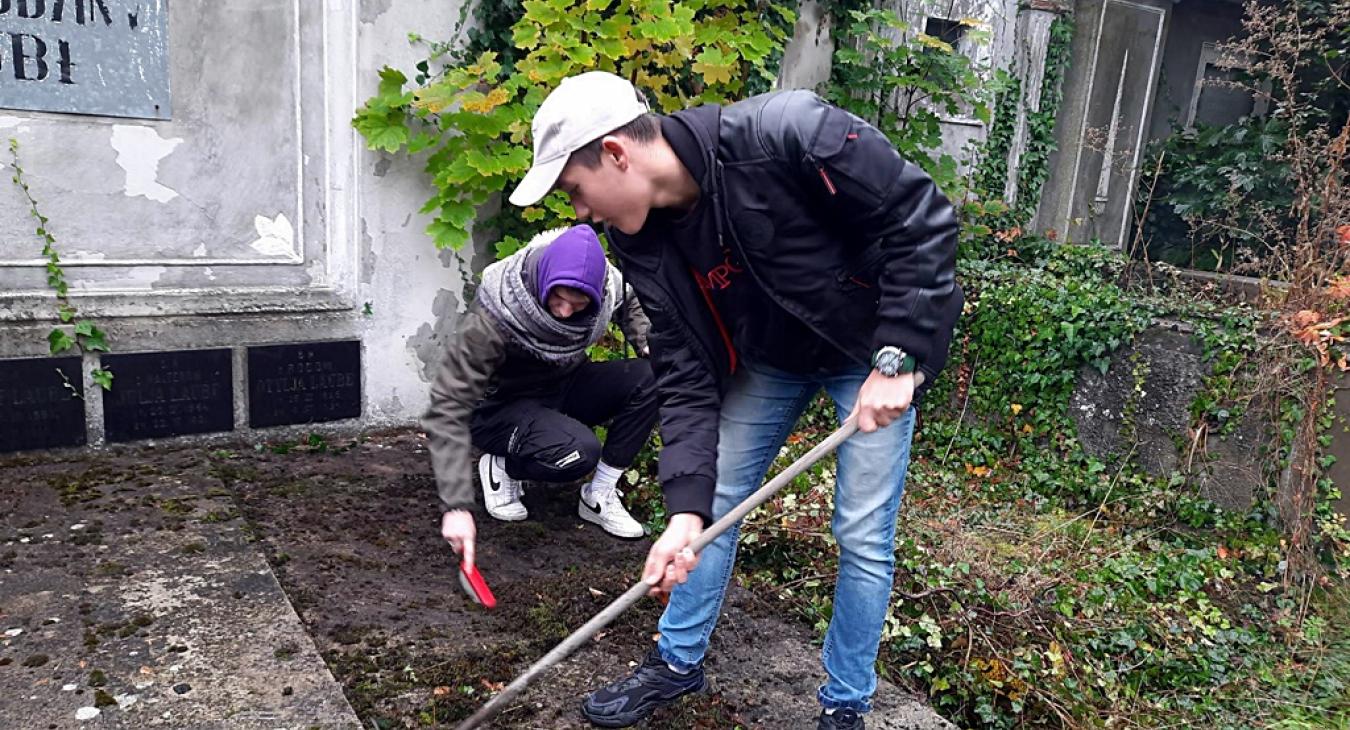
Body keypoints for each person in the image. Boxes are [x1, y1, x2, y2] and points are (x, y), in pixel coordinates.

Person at [506, 72, 963, 729]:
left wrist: (898, 355)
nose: (581, 213)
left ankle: (845, 704)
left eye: (575, 190)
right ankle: (676, 661)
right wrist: (683, 512)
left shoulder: (789, 134)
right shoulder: (641, 240)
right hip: (772, 361)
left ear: (615, 153)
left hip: (869, 350)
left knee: (862, 535)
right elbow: (685, 370)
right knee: (710, 508)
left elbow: (923, 218)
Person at [425, 224, 658, 571]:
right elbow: (447, 403)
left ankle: (599, 496)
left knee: (653, 376)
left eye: (577, 304)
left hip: (563, 383)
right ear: (543, 280)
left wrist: (645, 341)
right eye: (557, 299)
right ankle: (503, 463)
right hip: (500, 406)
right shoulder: (496, 312)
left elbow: (630, 300)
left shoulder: (608, 285)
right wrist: (457, 506)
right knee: (581, 452)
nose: (564, 312)